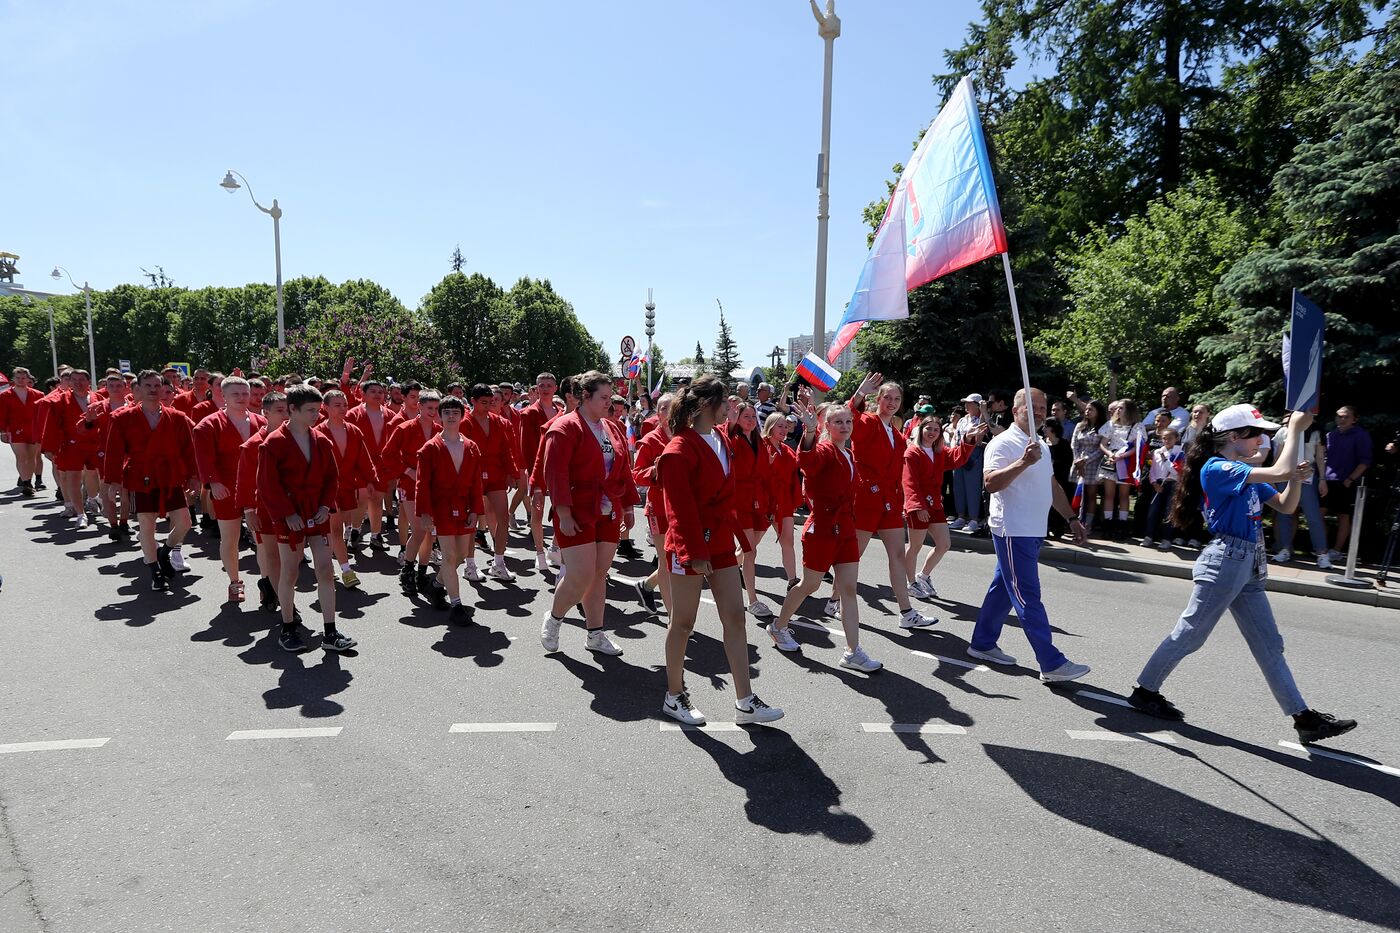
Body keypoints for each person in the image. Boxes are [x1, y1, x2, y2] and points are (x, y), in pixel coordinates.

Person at [1128, 405, 1357, 745]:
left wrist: (1295, 478)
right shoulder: (1218, 467)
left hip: (1247, 565)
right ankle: (1145, 691)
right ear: (1234, 437)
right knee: (1191, 635)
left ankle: (1303, 718)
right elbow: (1278, 469)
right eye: (1256, 433)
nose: (1263, 438)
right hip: (1226, 560)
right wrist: (1294, 431)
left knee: (1269, 646)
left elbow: (1285, 504)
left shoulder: (1244, 471)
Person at [656, 374, 784, 725]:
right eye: (723, 402)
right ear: (702, 407)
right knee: (682, 622)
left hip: (721, 543)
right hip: (691, 546)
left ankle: (745, 701)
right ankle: (674, 695)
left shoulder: (721, 439)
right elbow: (677, 512)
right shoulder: (678, 450)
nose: (730, 406)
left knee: (735, 616)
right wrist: (692, 553)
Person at [969, 388, 1092, 682]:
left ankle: (982, 643)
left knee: (1004, 588)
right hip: (1013, 529)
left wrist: (1072, 519)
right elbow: (990, 484)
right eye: (1031, 407)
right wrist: (1023, 462)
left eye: (1042, 407)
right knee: (1027, 595)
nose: (1038, 411)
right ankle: (1051, 663)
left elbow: (1052, 486)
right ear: (1015, 411)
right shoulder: (1002, 443)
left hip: (1033, 529)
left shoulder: (1042, 445)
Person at [768, 401, 885, 673]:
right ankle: (778, 626)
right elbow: (807, 462)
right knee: (810, 586)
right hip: (821, 529)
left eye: (848, 422)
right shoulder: (823, 449)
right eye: (838, 422)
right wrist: (809, 432)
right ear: (827, 426)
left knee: (849, 590)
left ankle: (852, 652)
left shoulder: (849, 452)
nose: (845, 426)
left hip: (845, 529)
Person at [538, 371, 636, 657]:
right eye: (604, 398)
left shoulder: (611, 428)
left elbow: (623, 469)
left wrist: (628, 506)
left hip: (607, 510)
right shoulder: (564, 427)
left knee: (599, 574)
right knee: (580, 575)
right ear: (585, 397)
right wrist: (564, 513)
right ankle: (555, 618)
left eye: (609, 397)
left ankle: (595, 633)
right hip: (577, 509)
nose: (610, 403)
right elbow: (554, 473)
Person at [257, 384, 356, 653]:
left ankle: (330, 631)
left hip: (317, 513)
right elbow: (267, 485)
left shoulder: (322, 441)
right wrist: (286, 513)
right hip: (289, 516)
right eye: (310, 410)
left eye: (317, 409)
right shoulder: (273, 443)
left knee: (325, 569)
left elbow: (331, 478)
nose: (316, 415)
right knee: (290, 571)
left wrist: (326, 506)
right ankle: (287, 628)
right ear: (292, 410)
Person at [844, 373, 935, 628]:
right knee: (854, 555)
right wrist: (860, 393)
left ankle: (907, 612)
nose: (892, 402)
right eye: (887, 397)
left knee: (897, 555)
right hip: (868, 499)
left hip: (891, 503)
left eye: (896, 398)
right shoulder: (867, 422)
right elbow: (849, 417)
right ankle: (835, 599)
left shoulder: (897, 435)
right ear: (878, 399)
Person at [102, 370, 199, 592]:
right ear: (137, 389)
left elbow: (189, 450)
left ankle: (165, 552)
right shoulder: (122, 418)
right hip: (140, 476)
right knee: (147, 525)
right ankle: (154, 568)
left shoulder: (177, 417)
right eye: (148, 386)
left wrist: (194, 476)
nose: (154, 390)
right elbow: (114, 452)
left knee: (184, 522)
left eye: (158, 386)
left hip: (171, 476)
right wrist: (114, 482)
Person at [192, 376, 264, 601]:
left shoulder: (261, 422)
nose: (242, 398)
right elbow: (204, 458)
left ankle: (268, 583)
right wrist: (213, 482)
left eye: (245, 393)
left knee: (261, 539)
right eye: (236, 394)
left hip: (256, 489)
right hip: (226, 488)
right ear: (223, 396)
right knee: (230, 538)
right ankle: (235, 582)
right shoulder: (208, 424)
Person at [415, 396, 484, 622]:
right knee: (449, 555)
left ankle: (435, 584)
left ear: (462, 415)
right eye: (447, 413)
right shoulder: (430, 448)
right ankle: (457, 605)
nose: (451, 416)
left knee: (462, 556)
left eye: (455, 412)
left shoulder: (472, 447)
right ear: (440, 416)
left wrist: (475, 509)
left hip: (464, 506)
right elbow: (421, 483)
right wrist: (425, 513)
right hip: (441, 507)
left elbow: (475, 482)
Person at [904, 415, 983, 597]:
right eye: (928, 428)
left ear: (940, 433)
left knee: (944, 544)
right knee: (915, 546)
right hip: (918, 506)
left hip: (935, 505)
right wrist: (918, 506)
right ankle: (910, 583)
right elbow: (909, 482)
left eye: (936, 429)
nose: (932, 432)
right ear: (921, 429)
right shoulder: (912, 453)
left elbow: (958, 458)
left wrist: (969, 438)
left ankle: (923, 576)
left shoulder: (940, 452)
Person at [314, 389, 378, 589]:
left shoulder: (354, 431)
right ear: (325, 407)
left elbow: (363, 459)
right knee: (335, 529)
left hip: (348, 486)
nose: (342, 409)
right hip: (325, 490)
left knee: (335, 530)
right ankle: (346, 570)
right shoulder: (317, 433)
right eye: (337, 405)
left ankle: (330, 564)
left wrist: (370, 479)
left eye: (344, 405)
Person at [385, 391, 443, 595]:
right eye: (430, 408)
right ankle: (407, 570)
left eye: (437, 409)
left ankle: (422, 572)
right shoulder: (404, 428)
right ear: (419, 406)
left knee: (430, 533)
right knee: (418, 530)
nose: (433, 412)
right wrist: (407, 470)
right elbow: (387, 455)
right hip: (409, 486)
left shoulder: (439, 430)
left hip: (433, 487)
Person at [462, 383, 520, 582]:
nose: (488, 406)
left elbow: (506, 450)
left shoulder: (497, 421)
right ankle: (470, 565)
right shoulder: (465, 422)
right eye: (484, 402)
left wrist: (512, 472)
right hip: (473, 476)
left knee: (503, 518)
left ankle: (499, 562)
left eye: (491, 402)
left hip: (495, 475)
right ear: (473, 401)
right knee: (473, 521)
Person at [237, 392, 289, 613]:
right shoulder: (253, 446)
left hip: (289, 507)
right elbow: (246, 480)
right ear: (265, 413)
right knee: (267, 551)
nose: (285, 415)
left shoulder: (293, 438)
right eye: (279, 411)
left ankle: (272, 586)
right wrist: (249, 510)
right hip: (263, 507)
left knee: (286, 554)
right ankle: (270, 586)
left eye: (288, 409)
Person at [727, 403, 775, 618]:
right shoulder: (732, 439)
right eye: (746, 416)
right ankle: (752, 599)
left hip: (759, 500)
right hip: (741, 500)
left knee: (749, 548)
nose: (751, 419)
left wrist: (771, 503)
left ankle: (722, 571)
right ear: (736, 418)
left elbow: (767, 474)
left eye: (753, 416)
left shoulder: (760, 442)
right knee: (750, 551)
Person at [39, 369, 104, 528]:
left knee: (95, 476)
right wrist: (49, 447)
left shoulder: (98, 399)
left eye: (81, 379)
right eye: (74, 380)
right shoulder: (61, 400)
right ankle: (80, 514)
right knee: (73, 479)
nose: (77, 383)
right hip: (71, 445)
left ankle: (92, 499)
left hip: (94, 444)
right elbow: (52, 425)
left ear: (89, 382)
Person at [630, 392, 675, 616]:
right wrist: (656, 471)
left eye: (673, 407)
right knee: (667, 562)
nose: (669, 411)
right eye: (665, 407)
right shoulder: (650, 440)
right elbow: (637, 474)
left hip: (681, 508)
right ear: (658, 413)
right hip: (658, 508)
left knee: (674, 562)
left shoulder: (684, 437)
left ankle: (646, 586)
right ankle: (673, 618)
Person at [517, 372, 564, 572]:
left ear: (555, 388)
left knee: (561, 509)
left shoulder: (562, 412)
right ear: (536, 389)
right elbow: (525, 446)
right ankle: (539, 552)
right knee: (537, 511)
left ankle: (554, 546)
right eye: (541, 385)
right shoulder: (528, 413)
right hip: (537, 469)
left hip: (558, 469)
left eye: (548, 385)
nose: (545, 388)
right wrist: (529, 472)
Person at [346, 379, 400, 551]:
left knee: (377, 500)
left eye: (380, 392)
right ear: (363, 394)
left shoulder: (391, 415)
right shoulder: (353, 414)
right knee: (361, 499)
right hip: (360, 463)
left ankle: (376, 536)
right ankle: (355, 531)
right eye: (373, 391)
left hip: (382, 464)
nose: (377, 395)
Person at [1271, 413, 1330, 568]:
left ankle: (1322, 553)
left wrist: (1322, 479)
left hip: (1307, 476)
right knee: (1284, 514)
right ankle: (1285, 549)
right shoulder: (1284, 431)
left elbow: (1319, 457)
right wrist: (1273, 478)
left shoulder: (1316, 432)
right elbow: (1277, 457)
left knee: (1313, 516)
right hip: (1286, 475)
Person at [1321, 405, 1372, 561]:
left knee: (1343, 516)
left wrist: (1350, 479)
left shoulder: (1361, 435)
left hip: (1346, 482)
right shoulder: (1331, 435)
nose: (1341, 419)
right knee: (1318, 514)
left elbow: (1365, 461)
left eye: (1346, 416)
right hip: (1327, 480)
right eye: (1339, 416)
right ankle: (1322, 548)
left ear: (1354, 419)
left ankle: (1336, 551)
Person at [762, 411, 803, 591]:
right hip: (765, 502)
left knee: (788, 541)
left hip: (784, 501)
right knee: (750, 546)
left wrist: (796, 499)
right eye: (780, 426)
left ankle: (792, 580)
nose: (784, 430)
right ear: (770, 427)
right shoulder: (761, 447)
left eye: (786, 426)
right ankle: (732, 567)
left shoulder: (787, 450)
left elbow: (794, 478)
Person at [1099, 398, 1145, 540]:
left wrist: (1122, 455)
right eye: (1117, 408)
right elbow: (1102, 444)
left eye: (1122, 408)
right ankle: (1108, 523)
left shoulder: (1137, 426)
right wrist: (1110, 454)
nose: (1118, 411)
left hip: (1126, 463)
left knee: (1124, 495)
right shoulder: (1110, 425)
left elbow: (1138, 446)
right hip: (1111, 462)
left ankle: (1123, 524)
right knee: (1109, 495)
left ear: (1129, 410)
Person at [0, 367, 44, 496]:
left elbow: (42, 415)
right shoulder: (4, 396)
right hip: (15, 429)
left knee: (32, 457)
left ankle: (29, 480)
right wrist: (2, 432)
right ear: (13, 379)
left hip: (34, 429)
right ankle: (25, 482)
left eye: (23, 378)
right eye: (18, 378)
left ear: (28, 379)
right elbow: (2, 415)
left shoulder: (38, 394)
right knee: (21, 456)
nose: (20, 380)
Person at [1143, 427, 1184, 549]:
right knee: (1153, 511)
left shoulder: (1179, 453)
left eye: (1170, 438)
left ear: (1176, 439)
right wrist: (1154, 483)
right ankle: (1149, 536)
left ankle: (1167, 539)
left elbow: (1175, 471)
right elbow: (1153, 470)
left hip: (1172, 484)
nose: (1166, 440)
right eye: (1164, 438)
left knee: (1168, 513)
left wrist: (1165, 458)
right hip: (1158, 484)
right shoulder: (1157, 452)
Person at [949, 393, 986, 532]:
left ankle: (974, 518)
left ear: (977, 405)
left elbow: (979, 439)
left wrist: (983, 412)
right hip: (959, 452)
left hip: (974, 454)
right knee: (958, 486)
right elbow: (955, 437)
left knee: (972, 487)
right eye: (966, 403)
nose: (966, 405)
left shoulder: (980, 419)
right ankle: (961, 516)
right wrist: (953, 451)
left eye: (970, 403)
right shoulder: (963, 420)